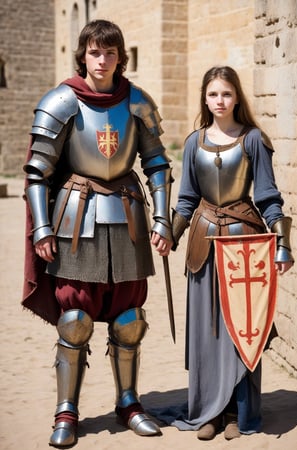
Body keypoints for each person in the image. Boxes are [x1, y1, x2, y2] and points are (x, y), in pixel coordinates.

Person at [22, 19, 173, 448]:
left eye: (110, 52)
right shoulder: (61, 100)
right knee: (75, 321)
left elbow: (157, 164)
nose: (102, 60)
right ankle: (66, 411)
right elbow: (37, 172)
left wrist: (161, 219)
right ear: (82, 55)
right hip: (75, 217)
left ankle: (128, 402)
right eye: (94, 52)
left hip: (127, 217)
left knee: (129, 320)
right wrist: (43, 227)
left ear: (120, 57)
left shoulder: (138, 102)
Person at [159, 65, 294, 441]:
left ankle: (238, 413)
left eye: (227, 94)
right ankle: (209, 413)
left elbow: (268, 196)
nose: (220, 100)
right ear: (204, 97)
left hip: (245, 246)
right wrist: (169, 234)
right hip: (202, 243)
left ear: (237, 98)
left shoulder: (253, 140)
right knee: (207, 331)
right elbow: (186, 200)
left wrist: (282, 244)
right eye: (213, 94)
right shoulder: (193, 143)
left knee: (242, 331)